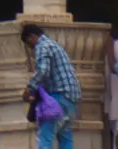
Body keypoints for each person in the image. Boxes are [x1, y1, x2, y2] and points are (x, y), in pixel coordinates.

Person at [29, 21, 81, 149]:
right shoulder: (55, 45)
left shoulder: (42, 46)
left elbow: (43, 71)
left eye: (28, 43)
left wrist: (30, 87)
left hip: (59, 98)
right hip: (73, 99)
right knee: (65, 138)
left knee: (45, 138)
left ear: (31, 37)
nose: (31, 48)